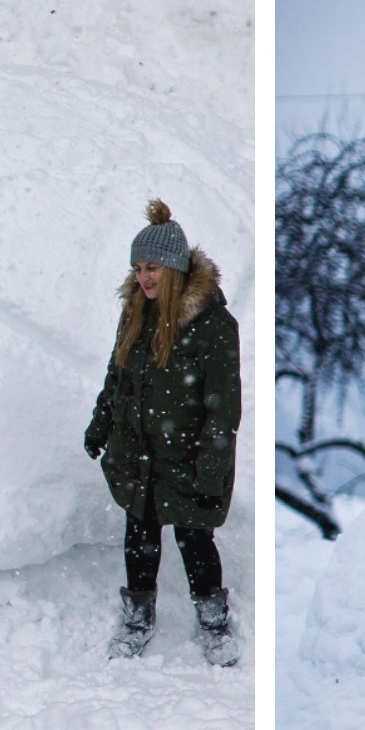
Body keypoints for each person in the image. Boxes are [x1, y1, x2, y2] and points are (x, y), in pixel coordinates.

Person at [83, 199, 240, 666]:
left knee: (195, 540)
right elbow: (117, 378)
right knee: (140, 536)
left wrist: (211, 468)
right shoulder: (135, 312)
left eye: (151, 268)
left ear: (172, 268)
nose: (144, 277)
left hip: (187, 454)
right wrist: (101, 424)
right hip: (138, 450)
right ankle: (137, 620)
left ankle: (214, 623)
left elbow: (222, 407)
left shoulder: (213, 325)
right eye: (137, 268)